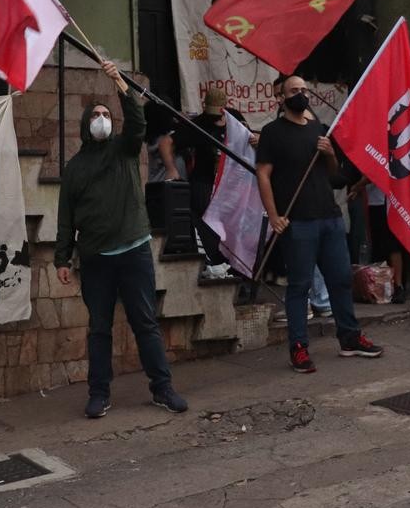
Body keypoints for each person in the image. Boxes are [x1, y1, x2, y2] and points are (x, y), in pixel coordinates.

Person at [55, 60, 188, 419]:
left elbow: (139, 124)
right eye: (95, 114)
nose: (101, 118)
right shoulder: (75, 168)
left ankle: (163, 388)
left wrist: (120, 86)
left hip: (133, 251)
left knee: (144, 321)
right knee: (99, 328)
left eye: (105, 114)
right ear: (86, 125)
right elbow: (66, 216)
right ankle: (99, 394)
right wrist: (61, 259)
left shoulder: (124, 148)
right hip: (95, 259)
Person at [256, 74, 383, 373]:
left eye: (304, 90)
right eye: (294, 91)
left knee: (340, 280)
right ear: (281, 97)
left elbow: (336, 177)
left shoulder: (319, 130)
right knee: (299, 287)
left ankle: (349, 338)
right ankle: (298, 348)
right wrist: (274, 216)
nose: (300, 94)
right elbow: (263, 174)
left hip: (330, 218)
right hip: (297, 222)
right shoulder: (272, 133)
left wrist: (329, 154)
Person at [159, 88, 247, 280]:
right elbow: (166, 142)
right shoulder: (198, 124)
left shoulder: (236, 119)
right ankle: (215, 263)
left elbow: (249, 141)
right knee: (208, 223)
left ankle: (238, 266)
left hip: (233, 184)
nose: (215, 117)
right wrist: (171, 168)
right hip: (205, 181)